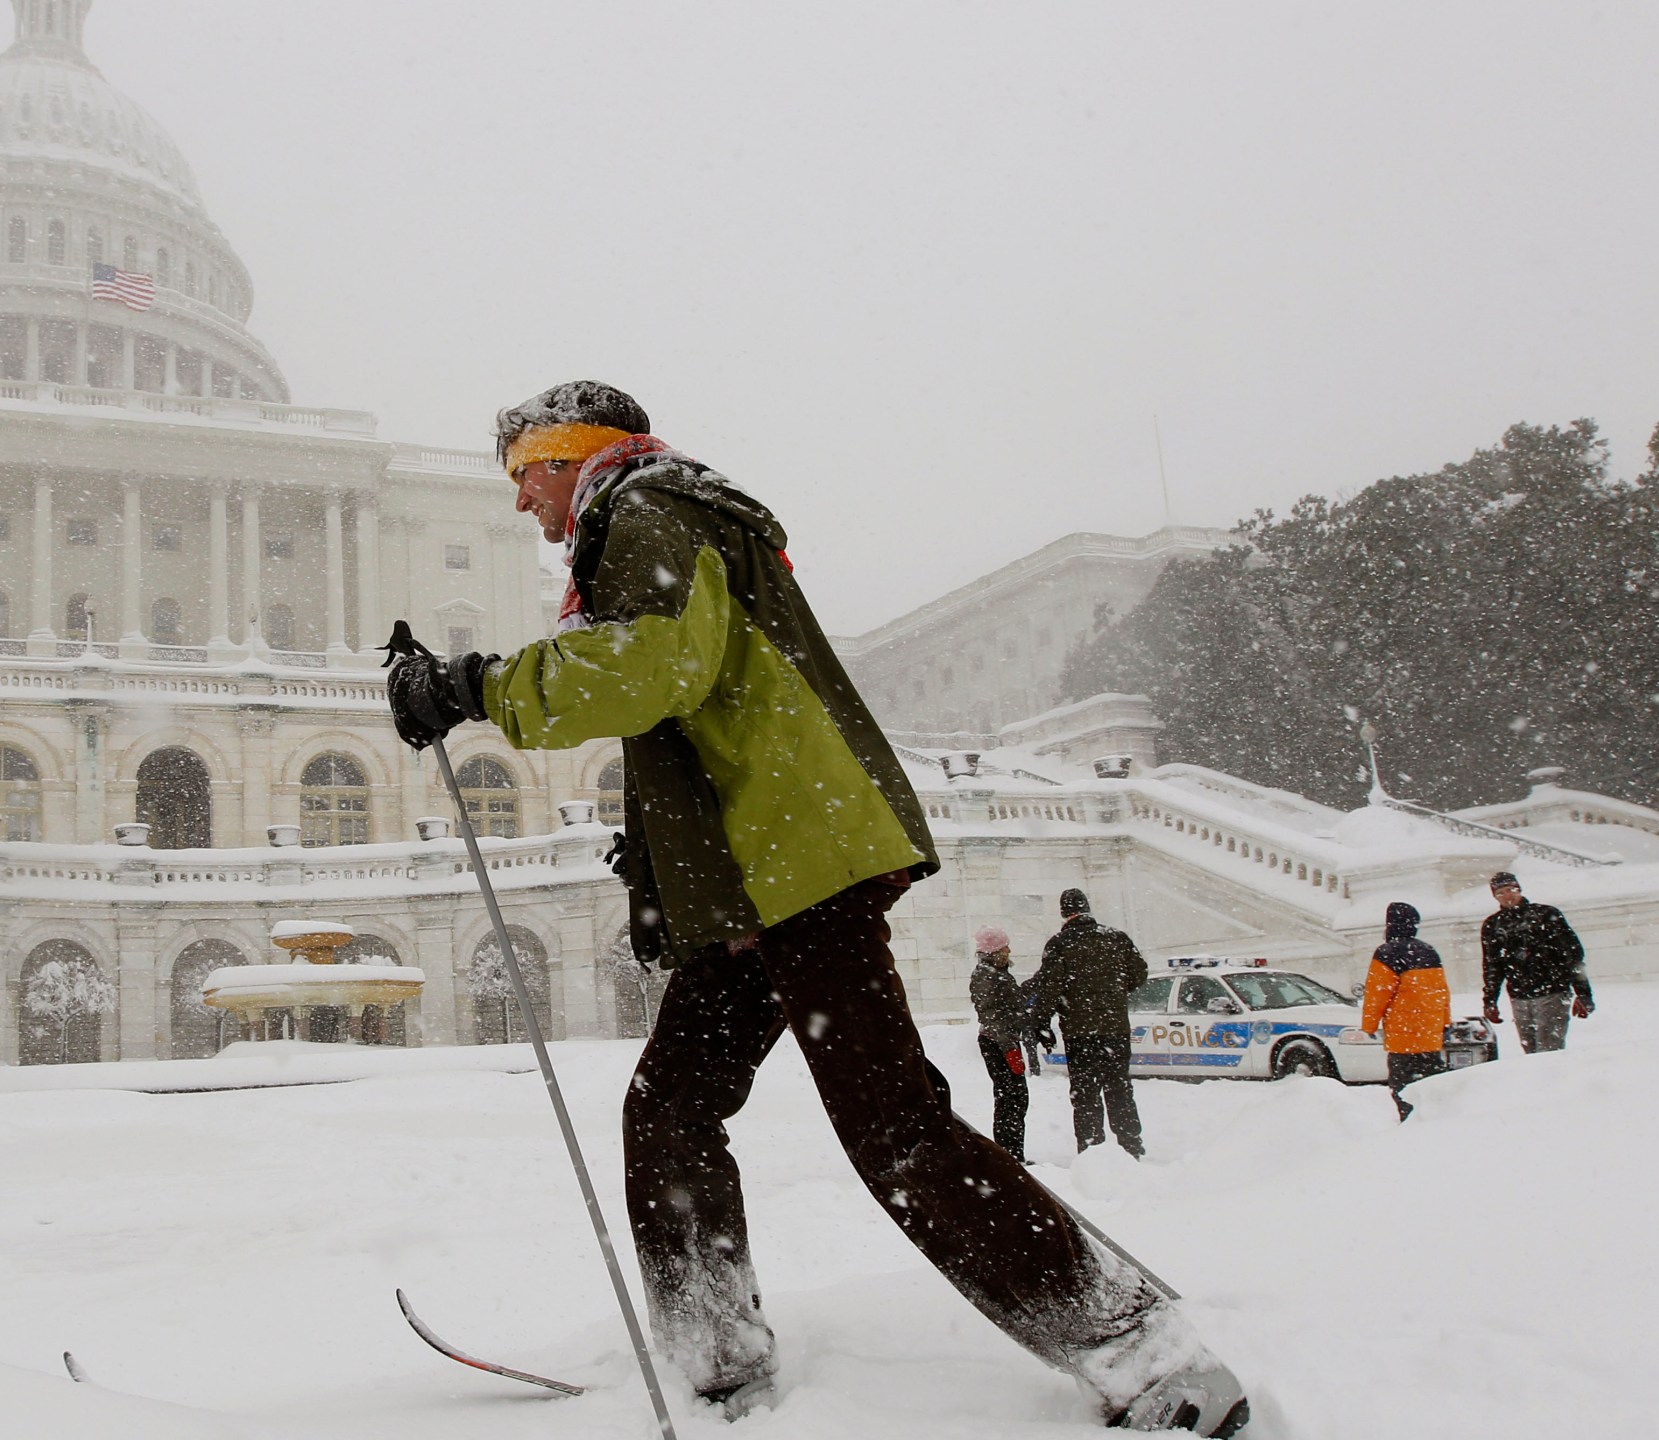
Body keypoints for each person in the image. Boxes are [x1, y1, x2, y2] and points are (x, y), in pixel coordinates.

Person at [382, 381, 1246, 1435]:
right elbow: (708, 712)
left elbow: (652, 670)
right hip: (759, 873)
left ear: (573, 457)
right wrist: (661, 871)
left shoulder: (647, 514)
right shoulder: (659, 517)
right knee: (671, 1107)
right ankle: (714, 1358)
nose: (520, 502)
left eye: (523, 474)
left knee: (894, 1130)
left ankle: (1142, 1354)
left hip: (795, 866)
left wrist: (471, 687)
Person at [1026, 888, 1150, 1159]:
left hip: (1079, 1032)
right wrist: (1114, 992)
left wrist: (1042, 1023)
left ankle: (1093, 1149)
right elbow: (1139, 972)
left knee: (1085, 1093)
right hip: (1115, 1027)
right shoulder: (1116, 938)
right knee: (1119, 1087)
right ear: (1087, 908)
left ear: (1063, 912)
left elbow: (1049, 987)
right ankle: (1131, 1144)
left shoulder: (1060, 944)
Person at [1479, 872, 1594, 1053]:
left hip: (1553, 991)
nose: (1508, 896)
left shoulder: (1546, 915)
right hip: (1519, 995)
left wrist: (1583, 993)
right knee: (1530, 1051)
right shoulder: (1493, 925)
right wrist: (1490, 1000)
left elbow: (1572, 956)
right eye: (1501, 893)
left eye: (1511, 890)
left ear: (1519, 890)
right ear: (1494, 896)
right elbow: (1492, 965)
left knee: (1548, 1050)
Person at [1359, 902, 1451, 1120]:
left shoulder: (1386, 953)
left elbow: (1377, 994)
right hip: (1429, 1035)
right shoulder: (1429, 951)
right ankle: (1435, 1122)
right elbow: (1442, 992)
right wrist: (1444, 1023)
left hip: (1403, 1036)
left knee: (1403, 1086)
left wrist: (1369, 1025)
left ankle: (1409, 1124)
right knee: (1431, 1084)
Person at [967, 926, 1032, 1160]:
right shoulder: (986, 975)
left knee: (1016, 1098)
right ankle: (1008, 1155)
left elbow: (1007, 1006)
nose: (1009, 950)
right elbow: (990, 1015)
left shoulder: (998, 972)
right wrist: (1008, 1048)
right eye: (1005, 946)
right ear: (995, 950)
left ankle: (1013, 1153)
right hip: (997, 1043)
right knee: (1009, 1099)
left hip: (1004, 1041)